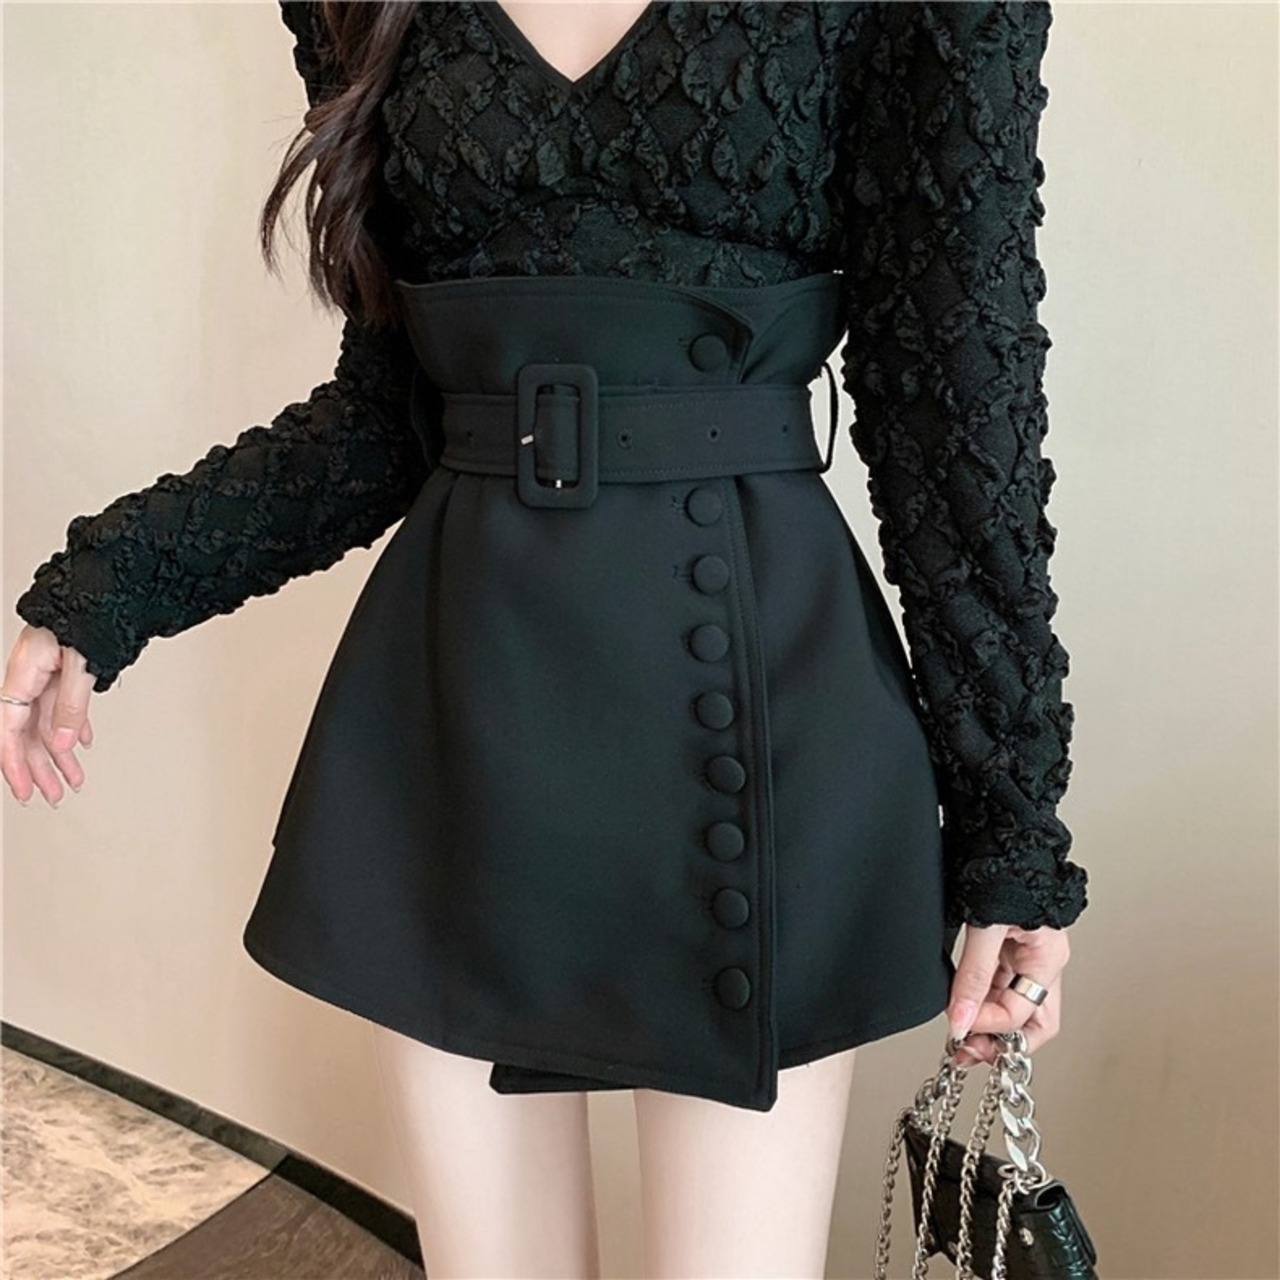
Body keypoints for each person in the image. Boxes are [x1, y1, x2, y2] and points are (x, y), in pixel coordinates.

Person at [2, 2, 1088, 1275]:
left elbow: (956, 405)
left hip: (763, 690)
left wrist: (1013, 824)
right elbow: (388, 415)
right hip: (461, 706)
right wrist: (110, 586)